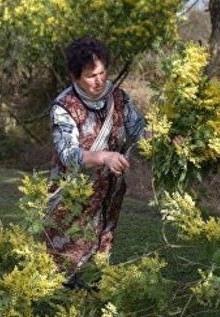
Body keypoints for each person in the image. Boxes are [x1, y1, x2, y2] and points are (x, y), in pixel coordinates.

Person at [46, 37, 146, 282]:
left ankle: (94, 298)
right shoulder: (64, 107)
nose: (99, 80)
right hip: (74, 198)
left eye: (103, 73)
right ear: (74, 76)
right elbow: (69, 154)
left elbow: (139, 131)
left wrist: (166, 137)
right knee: (67, 263)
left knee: (99, 260)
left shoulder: (118, 99)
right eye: (91, 76)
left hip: (109, 195)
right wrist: (103, 156)